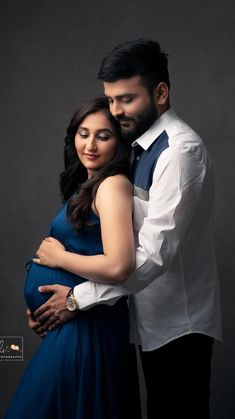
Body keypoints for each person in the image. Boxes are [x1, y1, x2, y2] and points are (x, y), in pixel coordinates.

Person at [28, 39, 222, 419]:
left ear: (161, 92)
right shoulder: (137, 146)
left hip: (178, 328)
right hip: (141, 318)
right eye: (110, 99)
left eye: (126, 100)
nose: (115, 112)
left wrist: (74, 300)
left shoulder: (180, 153)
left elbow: (152, 255)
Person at [4, 97, 141, 419]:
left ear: (119, 141)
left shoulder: (112, 185)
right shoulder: (89, 185)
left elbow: (119, 265)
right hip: (72, 323)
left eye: (103, 136)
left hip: (90, 328)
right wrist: (44, 307)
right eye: (83, 133)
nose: (90, 144)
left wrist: (59, 258)